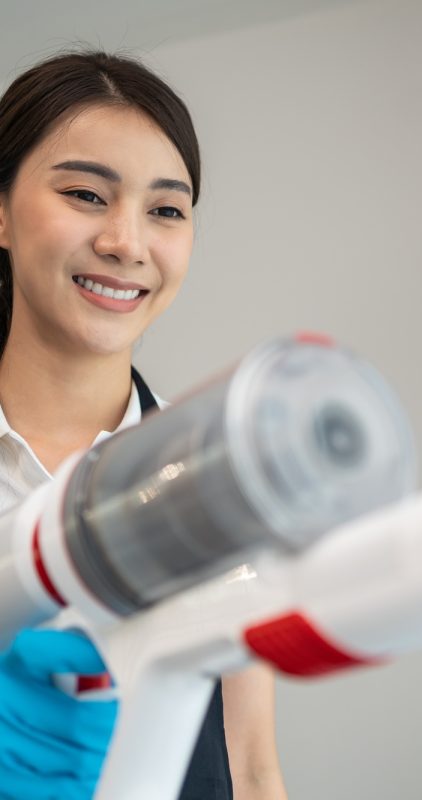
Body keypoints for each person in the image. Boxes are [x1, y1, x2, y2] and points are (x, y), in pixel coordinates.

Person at [0, 50, 288, 799]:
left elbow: (252, 768)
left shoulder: (219, 495)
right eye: (86, 194)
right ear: (0, 211)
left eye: (165, 210)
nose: (127, 243)